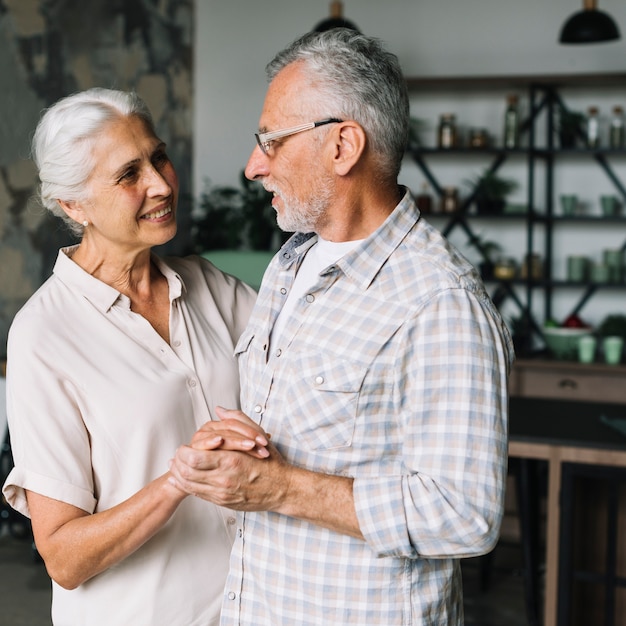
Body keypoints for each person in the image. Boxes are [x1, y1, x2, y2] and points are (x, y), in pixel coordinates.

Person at [169, 29, 514, 625]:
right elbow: (297, 433)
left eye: (271, 142)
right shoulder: (292, 261)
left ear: (343, 146)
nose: (254, 166)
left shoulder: (439, 301)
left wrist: (278, 487)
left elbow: (465, 513)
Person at [1, 88, 265, 626]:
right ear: (74, 205)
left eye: (159, 157)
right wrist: (178, 480)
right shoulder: (44, 334)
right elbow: (65, 557)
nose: (162, 184)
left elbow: (305, 369)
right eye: (128, 174)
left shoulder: (210, 285)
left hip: (252, 611)